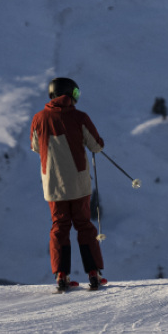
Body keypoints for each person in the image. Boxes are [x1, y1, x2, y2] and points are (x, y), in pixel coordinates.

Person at [30, 77, 105, 291]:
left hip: (53, 184)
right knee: (84, 225)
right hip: (78, 183)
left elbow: (35, 146)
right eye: (75, 94)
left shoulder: (38, 118)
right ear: (69, 94)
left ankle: (61, 275)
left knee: (59, 228)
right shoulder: (80, 117)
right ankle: (93, 273)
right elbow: (96, 146)